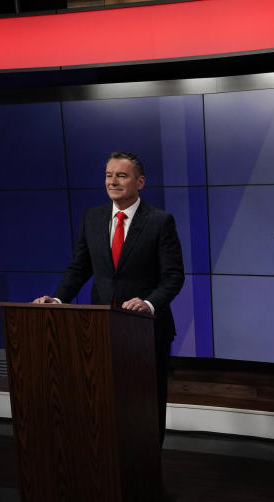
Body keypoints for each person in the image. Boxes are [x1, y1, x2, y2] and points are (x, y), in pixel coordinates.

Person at [33, 151, 184, 443]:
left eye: (121, 175)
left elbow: (173, 277)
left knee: (145, 404)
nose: (112, 181)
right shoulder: (93, 217)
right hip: (99, 329)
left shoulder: (159, 221)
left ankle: (149, 466)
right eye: (108, 175)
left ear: (140, 182)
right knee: (103, 401)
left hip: (145, 330)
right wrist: (59, 299)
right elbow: (80, 267)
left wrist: (148, 303)